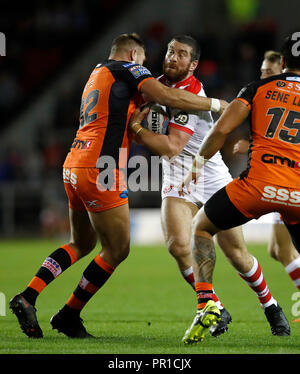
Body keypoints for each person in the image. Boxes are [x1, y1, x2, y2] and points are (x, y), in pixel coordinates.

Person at [9, 33, 228, 339]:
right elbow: (167, 96)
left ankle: (28, 296)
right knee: (117, 248)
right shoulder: (128, 68)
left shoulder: (96, 73)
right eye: (143, 60)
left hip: (74, 161)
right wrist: (218, 104)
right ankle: (69, 314)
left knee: (81, 244)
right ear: (134, 54)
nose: (146, 67)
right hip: (102, 168)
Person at [129, 36, 289, 341]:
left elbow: (173, 146)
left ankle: (270, 305)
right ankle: (212, 305)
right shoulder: (156, 87)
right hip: (177, 177)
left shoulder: (192, 91)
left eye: (182, 54)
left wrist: (138, 129)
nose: (173, 57)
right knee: (178, 246)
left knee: (237, 254)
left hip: (209, 174)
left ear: (194, 64)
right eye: (170, 51)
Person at [178, 32, 300, 343]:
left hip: (257, 185)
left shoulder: (257, 88)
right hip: (297, 191)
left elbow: (220, 130)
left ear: (282, 62)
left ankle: (206, 302)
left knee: (201, 226)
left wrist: (196, 165)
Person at [233, 51, 300, 298]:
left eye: (268, 72)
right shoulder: (266, 98)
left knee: (282, 250)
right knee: (276, 249)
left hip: (287, 180)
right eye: (261, 71)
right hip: (278, 177)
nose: (263, 76)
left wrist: (249, 146)